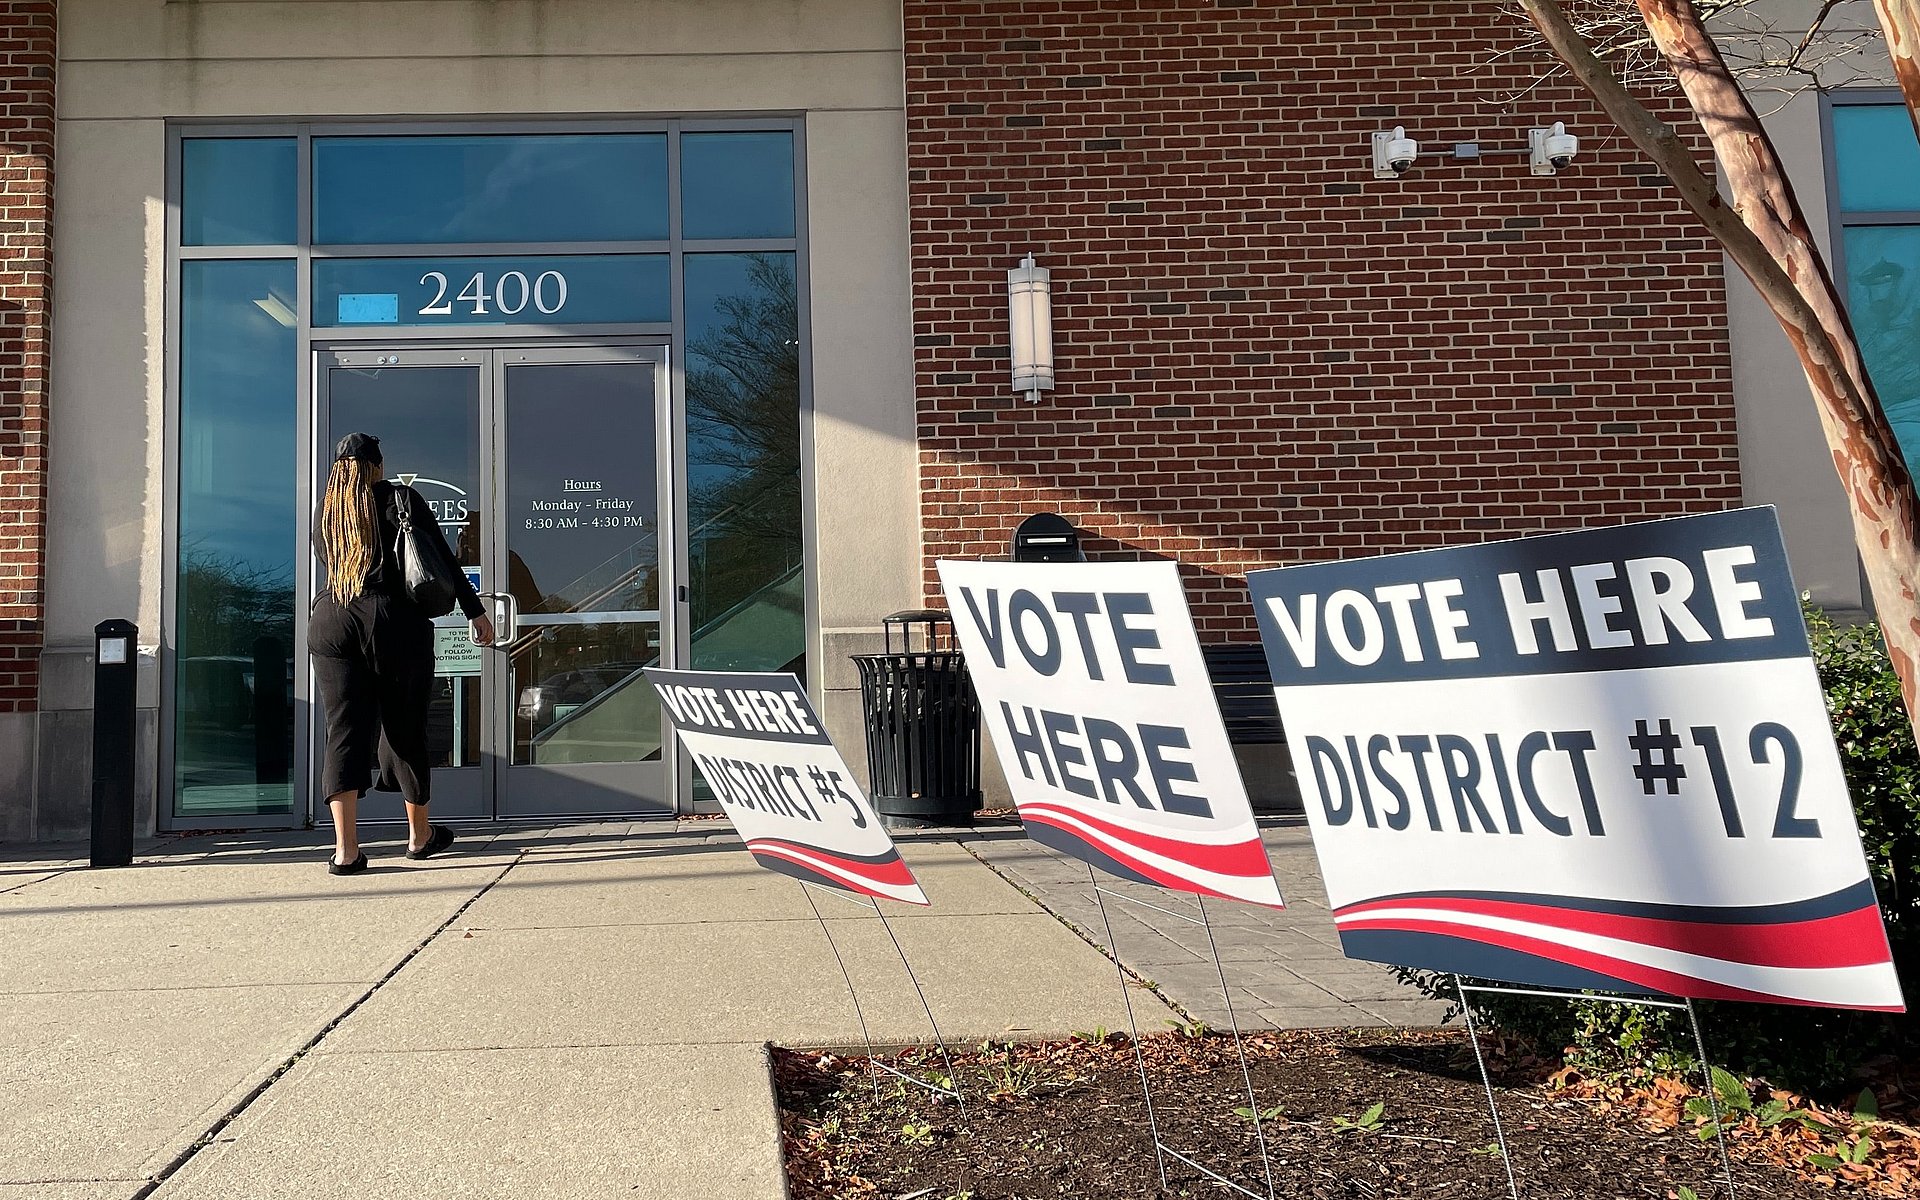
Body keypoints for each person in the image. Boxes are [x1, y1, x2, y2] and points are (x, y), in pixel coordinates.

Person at [310, 432, 494, 875]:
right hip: (393, 619)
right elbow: (442, 560)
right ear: (376, 465)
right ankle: (419, 836)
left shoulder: (326, 510)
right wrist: (475, 612)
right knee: (404, 725)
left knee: (343, 731)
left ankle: (345, 852)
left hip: (332, 618)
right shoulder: (400, 499)